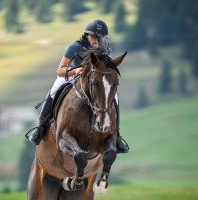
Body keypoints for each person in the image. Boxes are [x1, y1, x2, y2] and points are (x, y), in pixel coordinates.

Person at [27, 19, 129, 153]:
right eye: (93, 36)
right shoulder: (75, 46)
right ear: (87, 35)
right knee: (55, 89)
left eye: (99, 37)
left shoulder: (103, 48)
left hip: (92, 80)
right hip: (71, 76)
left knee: (114, 97)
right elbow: (60, 70)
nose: (96, 40)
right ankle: (40, 127)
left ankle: (117, 135)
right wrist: (75, 71)